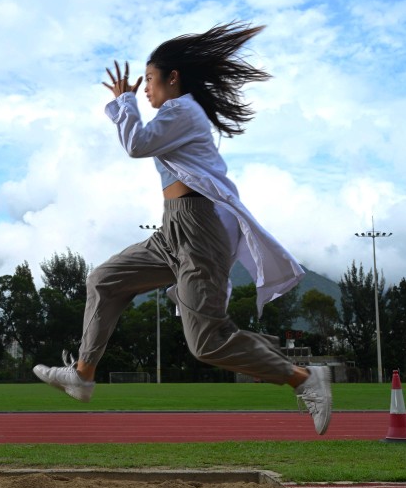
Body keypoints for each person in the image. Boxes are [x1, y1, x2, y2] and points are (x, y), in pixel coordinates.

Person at [33, 22, 332, 434]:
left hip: (199, 229)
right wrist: (127, 104)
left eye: (150, 80)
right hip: (172, 230)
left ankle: (302, 378)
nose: (145, 90)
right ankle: (83, 375)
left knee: (206, 343)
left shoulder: (182, 110)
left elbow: (135, 144)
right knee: (104, 280)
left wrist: (125, 102)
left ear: (173, 79)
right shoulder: (177, 114)